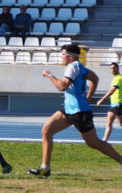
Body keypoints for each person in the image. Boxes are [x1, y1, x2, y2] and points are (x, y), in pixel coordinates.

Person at [27, 44, 122, 177]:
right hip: (69, 109)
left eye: (63, 54)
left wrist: (50, 75)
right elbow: (95, 78)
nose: (62, 57)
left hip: (79, 112)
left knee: (94, 143)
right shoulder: (79, 67)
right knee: (47, 130)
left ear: (70, 56)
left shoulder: (72, 66)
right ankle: (45, 168)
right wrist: (89, 97)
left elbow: (62, 86)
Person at [97, 62, 122, 141]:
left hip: (119, 104)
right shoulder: (115, 78)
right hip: (113, 105)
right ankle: (104, 140)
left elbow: (112, 90)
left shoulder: (119, 78)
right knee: (109, 122)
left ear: (118, 68)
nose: (113, 69)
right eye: (111, 68)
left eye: (114, 67)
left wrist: (102, 99)